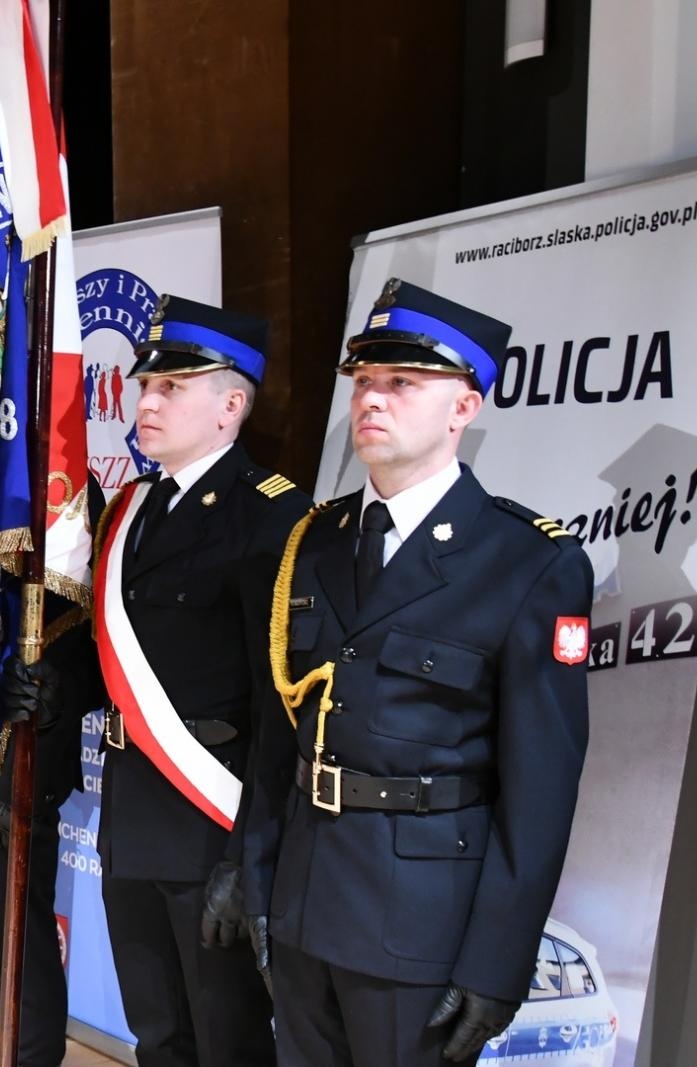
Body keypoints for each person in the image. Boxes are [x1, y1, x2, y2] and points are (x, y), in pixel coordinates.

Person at [243, 278, 593, 1065]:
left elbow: (541, 793)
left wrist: (497, 962)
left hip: (422, 930)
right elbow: (279, 741)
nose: (372, 399)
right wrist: (259, 877)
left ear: (464, 408)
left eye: (402, 382)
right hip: (304, 908)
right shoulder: (315, 541)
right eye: (365, 381)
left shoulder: (527, 563)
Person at [88, 295, 306, 1066]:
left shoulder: (270, 519)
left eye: (171, 389)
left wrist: (249, 859)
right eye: (146, 385)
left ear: (231, 405)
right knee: (157, 1035)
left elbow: (281, 713)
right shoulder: (131, 510)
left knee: (227, 1043)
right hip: (132, 814)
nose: (144, 400)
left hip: (211, 818)